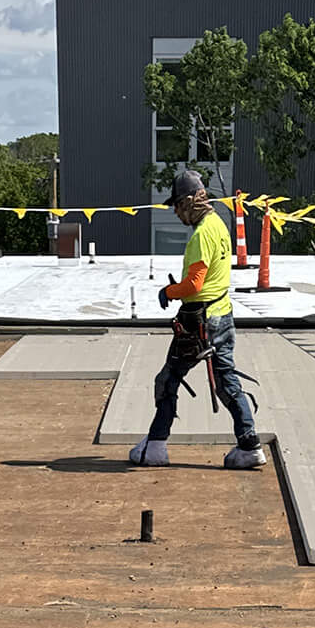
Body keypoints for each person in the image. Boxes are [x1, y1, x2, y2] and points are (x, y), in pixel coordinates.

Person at [129, 169, 265, 471]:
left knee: (167, 380)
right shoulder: (218, 224)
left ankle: (155, 446)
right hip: (223, 316)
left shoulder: (203, 234)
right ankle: (249, 445)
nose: (176, 213)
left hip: (199, 323)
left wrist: (170, 290)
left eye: (177, 206)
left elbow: (195, 285)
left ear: (190, 201)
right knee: (226, 381)